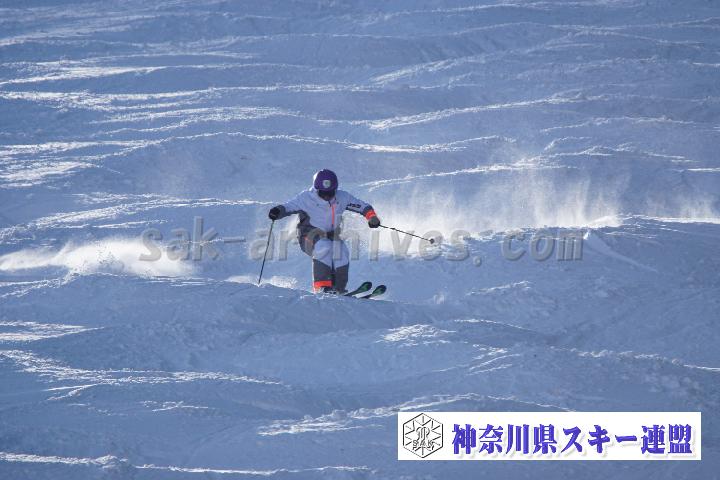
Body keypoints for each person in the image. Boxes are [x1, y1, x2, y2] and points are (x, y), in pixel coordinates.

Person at [268, 169, 380, 293]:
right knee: (323, 247)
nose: (327, 196)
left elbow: (363, 206)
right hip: (308, 236)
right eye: (323, 193)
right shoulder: (306, 198)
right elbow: (288, 206)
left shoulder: (342, 197)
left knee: (342, 252)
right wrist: (277, 211)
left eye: (330, 193)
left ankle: (338, 288)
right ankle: (322, 287)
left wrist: (372, 217)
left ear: (335, 189)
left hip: (332, 236)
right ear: (316, 189)